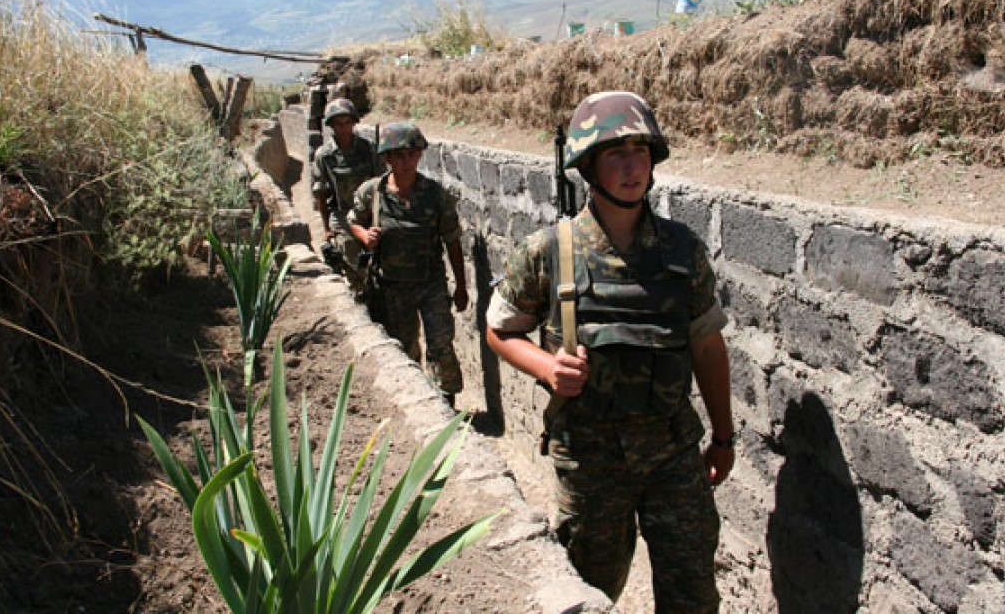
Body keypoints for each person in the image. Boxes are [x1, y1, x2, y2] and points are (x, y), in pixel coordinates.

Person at [484, 91, 735, 613]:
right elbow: (499, 331)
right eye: (616, 154)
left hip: (672, 457)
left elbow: (708, 347)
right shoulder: (548, 252)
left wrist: (723, 436)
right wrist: (547, 367)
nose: (632, 166)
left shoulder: (682, 252)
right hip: (590, 462)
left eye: (641, 152)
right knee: (589, 593)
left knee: (692, 595)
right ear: (587, 167)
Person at [348, 122, 469, 407]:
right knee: (403, 348)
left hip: (431, 285)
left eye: (412, 154)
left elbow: (452, 240)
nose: (407, 161)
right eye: (399, 155)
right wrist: (364, 236)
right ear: (387, 158)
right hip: (391, 288)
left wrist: (461, 286)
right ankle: (416, 404)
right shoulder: (372, 192)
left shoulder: (435, 195)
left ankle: (446, 407)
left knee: (441, 346)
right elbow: (352, 220)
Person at [310, 97, 380, 283]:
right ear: (331, 126)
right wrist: (327, 228)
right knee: (352, 261)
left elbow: (381, 181)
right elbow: (322, 192)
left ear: (354, 122)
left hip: (370, 213)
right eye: (339, 124)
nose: (344, 128)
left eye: (348, 122)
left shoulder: (368, 148)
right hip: (342, 217)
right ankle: (359, 291)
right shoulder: (324, 155)